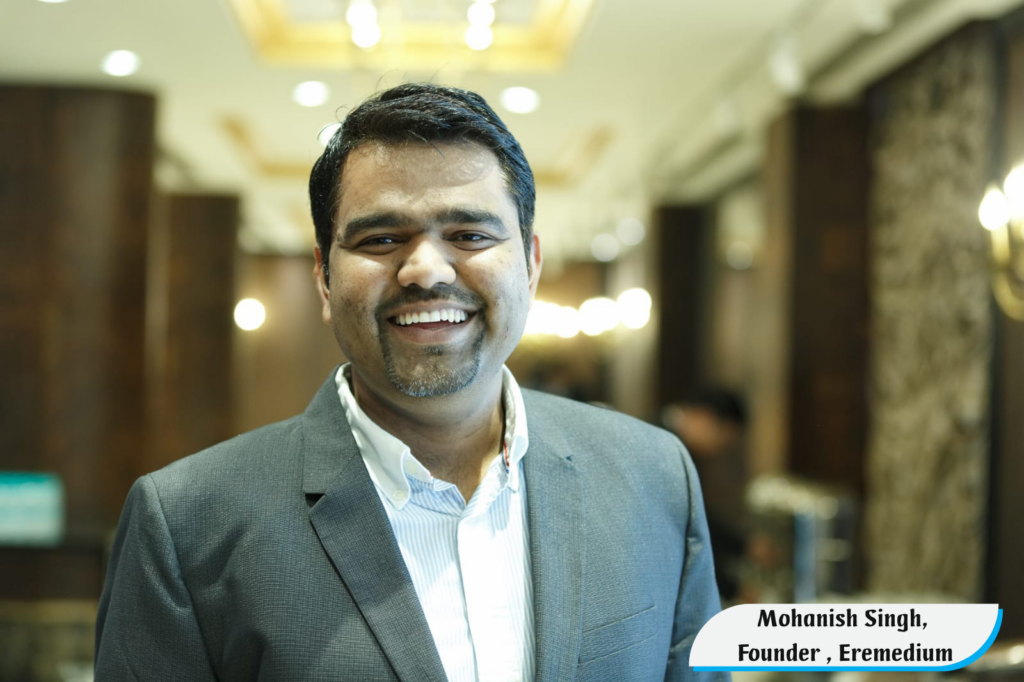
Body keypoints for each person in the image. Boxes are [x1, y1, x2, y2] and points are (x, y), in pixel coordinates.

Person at [95, 83, 725, 681]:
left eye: (470, 235)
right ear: (324, 278)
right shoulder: (187, 524)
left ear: (530, 266)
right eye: (382, 238)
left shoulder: (651, 476)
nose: (425, 270)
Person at [663, 388, 748, 603]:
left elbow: (698, 514)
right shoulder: (668, 447)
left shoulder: (672, 442)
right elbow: (688, 527)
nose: (720, 448)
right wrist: (732, 588)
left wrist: (743, 546)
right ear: (705, 417)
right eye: (724, 438)